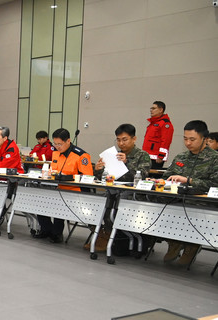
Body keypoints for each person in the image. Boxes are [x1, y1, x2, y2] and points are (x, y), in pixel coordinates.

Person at [161, 120, 218, 265]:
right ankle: (173, 242)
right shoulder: (181, 157)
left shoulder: (215, 159)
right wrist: (161, 181)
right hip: (177, 197)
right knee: (158, 202)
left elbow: (215, 184)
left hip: (202, 201)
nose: (188, 143)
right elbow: (166, 176)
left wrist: (189, 180)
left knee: (190, 206)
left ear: (204, 139)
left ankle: (191, 246)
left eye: (192, 139)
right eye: (185, 139)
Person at [88, 124, 151, 251]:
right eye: (118, 140)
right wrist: (98, 170)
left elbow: (141, 177)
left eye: (124, 139)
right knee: (93, 205)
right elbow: (106, 178)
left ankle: (117, 239)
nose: (121, 143)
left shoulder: (142, 155)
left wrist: (127, 163)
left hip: (132, 196)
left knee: (114, 208)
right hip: (114, 192)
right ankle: (104, 235)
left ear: (134, 139)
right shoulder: (114, 155)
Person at [35, 128, 92, 243]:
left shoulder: (81, 155)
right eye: (55, 144)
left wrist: (70, 177)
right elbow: (53, 170)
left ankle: (56, 234)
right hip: (59, 189)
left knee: (59, 203)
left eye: (59, 144)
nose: (57, 147)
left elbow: (88, 177)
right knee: (39, 200)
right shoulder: (56, 153)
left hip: (76, 192)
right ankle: (46, 230)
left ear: (68, 141)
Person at [143, 100, 174, 170]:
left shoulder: (165, 124)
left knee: (153, 174)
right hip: (148, 155)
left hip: (156, 157)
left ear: (161, 110)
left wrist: (161, 156)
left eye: (154, 108)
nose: (151, 110)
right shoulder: (153, 123)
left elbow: (166, 141)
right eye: (151, 108)